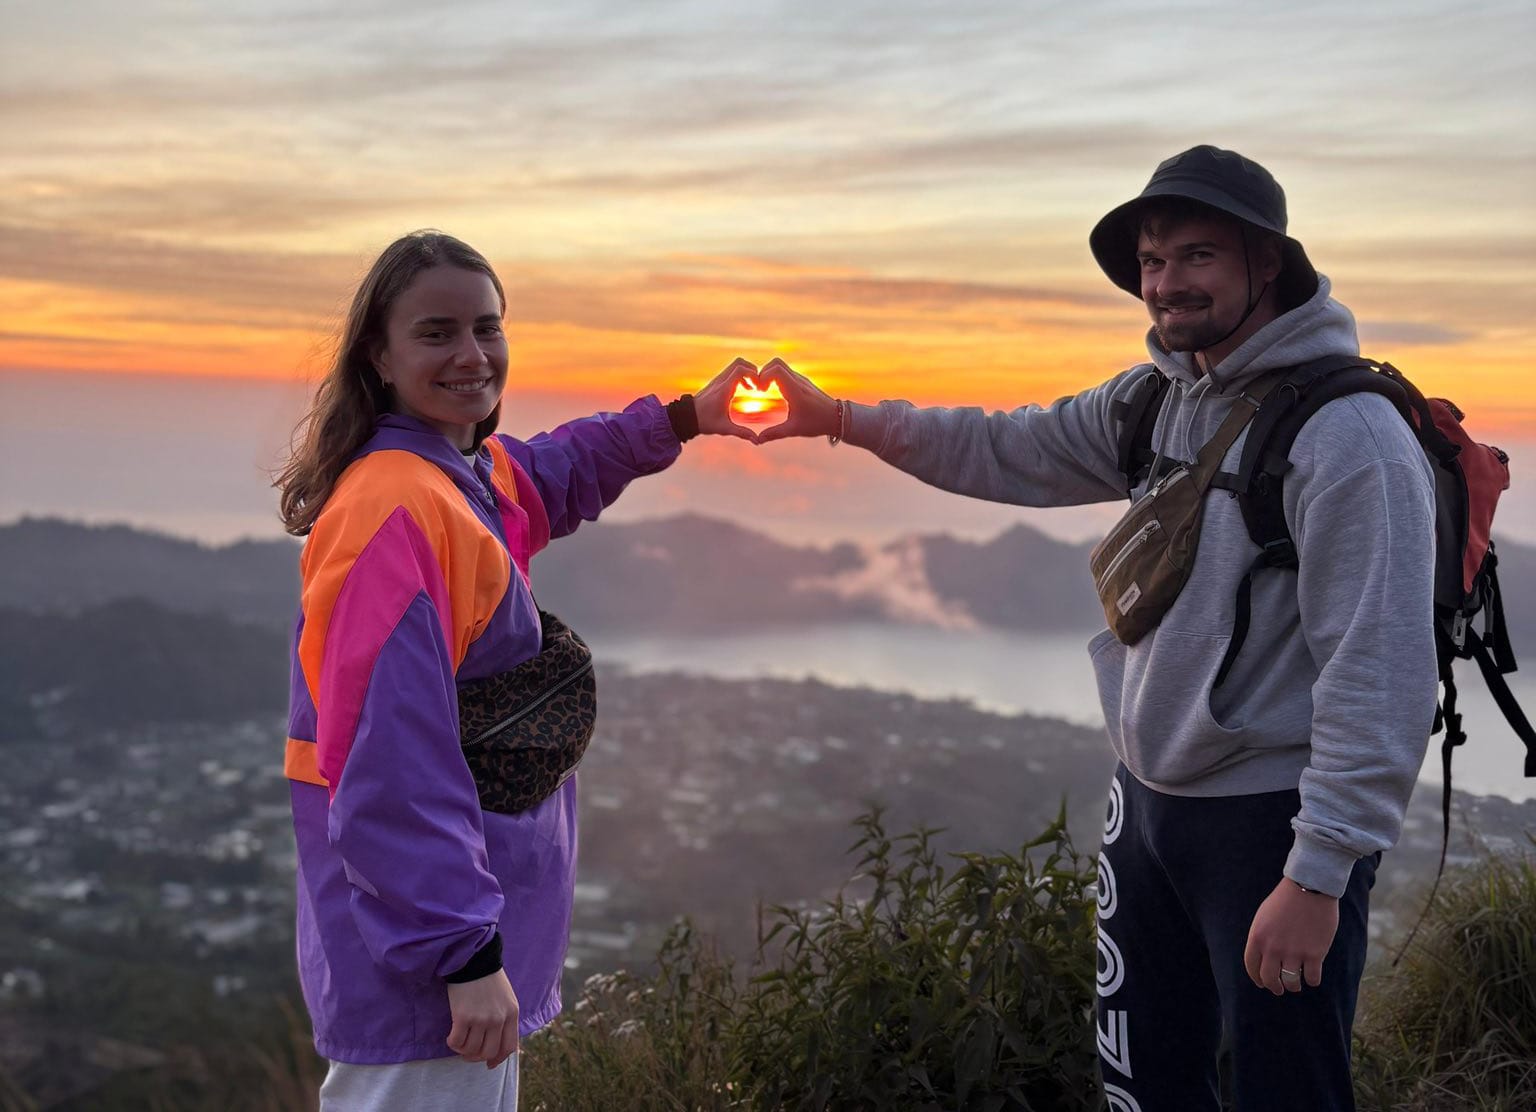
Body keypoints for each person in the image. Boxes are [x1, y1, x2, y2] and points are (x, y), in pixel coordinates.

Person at [756, 146, 1438, 1111]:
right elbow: (1007, 446)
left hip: (1269, 825)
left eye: (1197, 257)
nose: (1166, 285)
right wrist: (841, 416)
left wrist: (1319, 875)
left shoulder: (1351, 439)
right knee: (1144, 1083)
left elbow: (1381, 675)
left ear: (1268, 263)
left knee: (1290, 1088)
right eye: (1153, 263)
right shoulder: (1152, 401)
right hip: (1149, 806)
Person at [274, 230, 753, 1110]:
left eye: (487, 328)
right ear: (377, 355)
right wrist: (460, 953)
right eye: (437, 332)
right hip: (423, 977)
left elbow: (554, 470)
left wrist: (689, 416)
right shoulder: (393, 510)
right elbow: (389, 760)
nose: (471, 354)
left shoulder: (456, 476)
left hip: (454, 949)